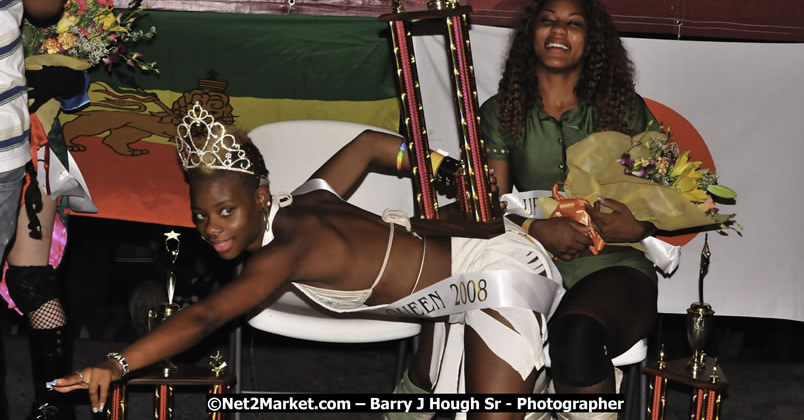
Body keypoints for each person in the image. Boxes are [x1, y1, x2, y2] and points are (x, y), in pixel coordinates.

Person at [52, 102, 563, 420]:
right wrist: (441, 169)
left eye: (226, 211)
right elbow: (369, 147)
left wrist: (117, 363)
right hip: (450, 298)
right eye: (201, 216)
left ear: (260, 197)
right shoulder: (310, 195)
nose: (212, 228)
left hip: (497, 275)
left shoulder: (286, 251)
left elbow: (206, 316)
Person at [479, 0, 661, 420]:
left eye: (573, 23)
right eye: (548, 20)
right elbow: (490, 206)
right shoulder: (501, 112)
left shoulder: (624, 109)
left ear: (591, 41)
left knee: (576, 337)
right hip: (531, 262)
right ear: (531, 33)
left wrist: (639, 227)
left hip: (614, 263)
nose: (559, 30)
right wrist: (534, 229)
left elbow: (667, 195)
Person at [1, 0, 73, 416]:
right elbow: (45, 3)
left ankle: (54, 402)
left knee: (31, 276)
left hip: (30, 134)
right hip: (11, 133)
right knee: (30, 276)